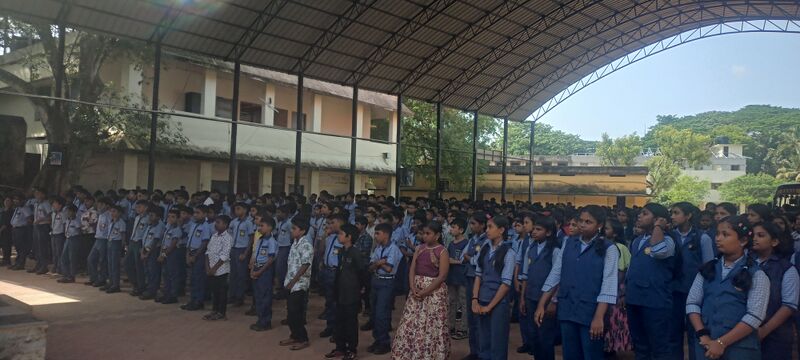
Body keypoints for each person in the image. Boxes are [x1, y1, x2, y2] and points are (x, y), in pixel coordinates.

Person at [536, 205, 619, 360]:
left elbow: (609, 285)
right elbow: (555, 274)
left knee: (591, 354)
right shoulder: (568, 242)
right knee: (570, 354)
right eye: (581, 220)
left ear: (599, 225)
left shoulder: (609, 249)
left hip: (591, 310)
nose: (582, 225)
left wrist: (599, 317)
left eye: (588, 222)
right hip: (568, 307)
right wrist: (542, 303)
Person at [686, 215, 768, 360]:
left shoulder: (757, 274)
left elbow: (755, 316)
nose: (718, 238)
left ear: (743, 241)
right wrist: (702, 333)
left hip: (739, 348)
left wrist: (721, 342)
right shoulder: (708, 269)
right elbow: (693, 302)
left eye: (725, 235)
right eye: (717, 234)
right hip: (705, 343)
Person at [392, 220, 450, 360]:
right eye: (423, 233)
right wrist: (412, 286)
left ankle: (430, 354)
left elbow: (442, 276)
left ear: (437, 236)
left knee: (431, 323)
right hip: (416, 288)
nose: (424, 236)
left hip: (434, 291)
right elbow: (412, 268)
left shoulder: (442, 251)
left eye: (428, 233)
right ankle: (409, 352)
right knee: (412, 322)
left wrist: (425, 291)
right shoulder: (419, 248)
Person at [626, 203, 677, 360]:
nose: (639, 216)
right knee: (640, 345)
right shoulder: (637, 240)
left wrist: (658, 227)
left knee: (659, 346)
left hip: (655, 301)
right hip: (635, 298)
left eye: (645, 213)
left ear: (658, 219)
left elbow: (658, 251)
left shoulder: (668, 240)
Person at [670, 202, 715, 359]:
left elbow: (709, 266)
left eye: (676, 213)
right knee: (673, 333)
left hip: (695, 294)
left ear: (688, 216)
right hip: (673, 291)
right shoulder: (670, 235)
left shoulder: (702, 238)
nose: (672, 216)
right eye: (672, 213)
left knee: (695, 333)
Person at [470, 215, 516, 360]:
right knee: (483, 338)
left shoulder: (509, 252)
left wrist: (490, 306)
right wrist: (475, 299)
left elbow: (506, 284)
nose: (487, 230)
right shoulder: (484, 248)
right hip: (482, 297)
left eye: (491, 227)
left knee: (498, 340)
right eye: (487, 227)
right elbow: (478, 276)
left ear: (501, 230)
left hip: (498, 302)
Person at [751, 221, 798, 358]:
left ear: (774, 241)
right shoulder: (744, 263)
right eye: (752, 235)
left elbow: (789, 306)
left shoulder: (786, 269)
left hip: (776, 333)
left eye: (760, 235)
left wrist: (764, 331)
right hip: (744, 331)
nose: (754, 239)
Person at [519, 214, 561, 360]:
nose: (534, 232)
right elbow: (525, 274)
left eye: (539, 229)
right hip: (531, 296)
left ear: (548, 232)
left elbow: (557, 278)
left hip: (546, 299)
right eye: (534, 229)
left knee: (545, 336)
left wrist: (552, 301)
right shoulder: (530, 248)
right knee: (533, 334)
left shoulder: (554, 250)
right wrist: (523, 298)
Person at [325, 223, 366, 360]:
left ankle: (351, 349)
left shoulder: (355, 253)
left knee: (350, 323)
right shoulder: (342, 251)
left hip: (351, 293)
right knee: (339, 322)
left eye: (341, 234)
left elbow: (362, 272)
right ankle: (340, 348)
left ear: (349, 237)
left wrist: (361, 288)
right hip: (340, 292)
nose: (338, 236)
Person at [366, 222, 402, 355]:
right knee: (374, 313)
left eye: (377, 233)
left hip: (387, 283)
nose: (375, 236)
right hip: (376, 280)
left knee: (382, 313)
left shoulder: (393, 249)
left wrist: (378, 263)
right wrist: (380, 262)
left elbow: (389, 268)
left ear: (386, 234)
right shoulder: (378, 248)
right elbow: (371, 267)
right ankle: (377, 339)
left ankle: (384, 342)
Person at [280, 216, 313, 351]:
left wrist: (293, 282)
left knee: (296, 313)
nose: (291, 231)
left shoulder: (306, 245)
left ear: (303, 230)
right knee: (290, 313)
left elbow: (305, 265)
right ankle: (294, 335)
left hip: (299, 284)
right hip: (290, 282)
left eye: (294, 228)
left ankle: (303, 338)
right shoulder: (295, 242)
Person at [602, 217, 632, 355]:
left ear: (614, 233)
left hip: (616, 289)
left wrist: (621, 293)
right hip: (605, 287)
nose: (603, 230)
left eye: (607, 228)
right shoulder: (600, 245)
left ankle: (612, 348)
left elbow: (622, 271)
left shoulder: (620, 248)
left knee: (613, 322)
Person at [462, 211, 488, 360]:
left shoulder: (485, 240)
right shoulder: (472, 239)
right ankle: (473, 351)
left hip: (479, 279)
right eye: (470, 223)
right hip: (469, 277)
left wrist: (469, 258)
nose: (471, 227)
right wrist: (469, 258)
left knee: (478, 317)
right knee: (470, 316)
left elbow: (478, 261)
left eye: (474, 223)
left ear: (482, 225)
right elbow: (463, 256)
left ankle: (481, 351)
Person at [320, 213, 345, 338]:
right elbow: (321, 251)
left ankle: (337, 330)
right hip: (327, 270)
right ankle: (330, 326)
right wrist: (324, 236)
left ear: (340, 223)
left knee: (337, 302)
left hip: (336, 272)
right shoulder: (330, 237)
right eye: (329, 223)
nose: (330, 225)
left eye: (333, 223)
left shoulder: (344, 238)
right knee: (329, 301)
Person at [182, 205, 212, 311]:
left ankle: (199, 301)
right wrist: (187, 255)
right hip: (191, 252)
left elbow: (204, 242)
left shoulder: (206, 226)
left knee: (199, 279)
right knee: (192, 279)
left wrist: (195, 256)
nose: (195, 215)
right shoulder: (193, 225)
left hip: (199, 254)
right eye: (194, 212)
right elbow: (189, 241)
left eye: (198, 213)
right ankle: (192, 300)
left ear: (205, 214)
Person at [250, 216, 277, 331]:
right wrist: (252, 269)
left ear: (270, 228)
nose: (259, 228)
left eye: (262, 226)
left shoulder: (272, 241)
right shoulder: (260, 240)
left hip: (265, 271)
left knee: (265, 296)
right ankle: (260, 319)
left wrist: (259, 271)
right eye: (258, 225)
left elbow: (270, 259)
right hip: (257, 268)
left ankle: (266, 321)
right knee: (258, 296)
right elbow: (255, 255)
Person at [205, 215, 232, 321]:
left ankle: (222, 312)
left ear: (225, 225)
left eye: (219, 222)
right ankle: (214, 310)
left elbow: (224, 256)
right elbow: (208, 252)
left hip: (221, 270)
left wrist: (214, 268)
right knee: (214, 291)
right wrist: (208, 267)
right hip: (211, 268)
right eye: (216, 222)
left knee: (222, 292)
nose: (216, 224)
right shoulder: (214, 236)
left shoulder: (227, 238)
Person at [446, 217, 469, 341]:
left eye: (453, 227)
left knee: (464, 302)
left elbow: (464, 261)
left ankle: (464, 328)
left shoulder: (466, 243)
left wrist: (453, 261)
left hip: (462, 277)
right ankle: (451, 326)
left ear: (461, 230)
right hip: (452, 276)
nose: (451, 229)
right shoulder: (450, 243)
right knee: (451, 302)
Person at [228, 202, 255, 307]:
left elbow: (251, 238)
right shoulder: (234, 222)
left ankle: (240, 297)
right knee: (233, 274)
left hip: (242, 249)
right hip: (234, 249)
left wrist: (245, 253)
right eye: (235, 209)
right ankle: (232, 295)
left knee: (241, 275)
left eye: (239, 209)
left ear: (244, 210)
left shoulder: (248, 223)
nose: (236, 211)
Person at [139, 206, 165, 300]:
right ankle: (149, 288)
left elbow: (155, 241)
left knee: (153, 271)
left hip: (153, 251)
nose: (150, 217)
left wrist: (147, 254)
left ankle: (152, 290)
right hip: (146, 249)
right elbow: (144, 239)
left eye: (152, 215)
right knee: (147, 271)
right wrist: (142, 251)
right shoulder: (150, 225)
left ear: (158, 217)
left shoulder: (160, 225)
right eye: (149, 215)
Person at [157, 209, 182, 304]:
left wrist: (163, 255)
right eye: (169, 216)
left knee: (173, 275)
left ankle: (173, 295)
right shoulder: (168, 227)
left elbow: (172, 245)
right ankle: (166, 293)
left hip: (172, 253)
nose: (170, 219)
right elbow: (164, 242)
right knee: (166, 274)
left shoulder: (177, 230)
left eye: (173, 217)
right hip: (165, 252)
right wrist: (161, 253)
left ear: (178, 218)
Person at [86, 197, 112, 287]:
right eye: (98, 204)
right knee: (90, 259)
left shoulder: (109, 215)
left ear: (107, 206)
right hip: (97, 239)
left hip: (104, 239)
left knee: (102, 261)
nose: (99, 206)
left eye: (101, 204)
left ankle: (102, 279)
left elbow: (110, 228)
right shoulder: (100, 215)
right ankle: (94, 278)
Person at [126, 200, 150, 296]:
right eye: (137, 207)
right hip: (133, 242)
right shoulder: (136, 218)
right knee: (127, 263)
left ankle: (141, 287)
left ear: (146, 207)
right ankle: (135, 284)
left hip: (140, 243)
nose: (137, 208)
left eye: (140, 206)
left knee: (139, 266)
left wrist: (144, 246)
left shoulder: (148, 219)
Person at [103, 205, 127, 293]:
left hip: (116, 243)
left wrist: (122, 247)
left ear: (119, 213)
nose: (112, 213)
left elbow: (123, 236)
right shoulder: (111, 221)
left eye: (114, 211)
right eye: (111, 211)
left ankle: (116, 285)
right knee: (109, 264)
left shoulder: (121, 223)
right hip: (109, 242)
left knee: (115, 265)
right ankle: (111, 282)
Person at [57, 205, 81, 283]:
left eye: (69, 211)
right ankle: (65, 275)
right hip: (67, 238)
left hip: (74, 239)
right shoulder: (67, 220)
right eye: (67, 211)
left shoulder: (77, 220)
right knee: (64, 257)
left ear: (74, 212)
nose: (68, 213)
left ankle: (72, 276)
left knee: (72, 258)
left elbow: (79, 231)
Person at [32, 188, 53, 275]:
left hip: (43, 226)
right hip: (37, 226)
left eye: (38, 193)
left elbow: (50, 216)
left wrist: (41, 219)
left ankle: (44, 266)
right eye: (36, 193)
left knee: (42, 247)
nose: (36, 195)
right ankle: (38, 264)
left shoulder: (46, 204)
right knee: (36, 247)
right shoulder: (36, 204)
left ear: (43, 194)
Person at [10, 194, 33, 270]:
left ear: (22, 200)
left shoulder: (25, 208)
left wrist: (26, 228)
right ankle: (17, 263)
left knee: (21, 248)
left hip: (21, 229)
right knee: (17, 247)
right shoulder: (17, 208)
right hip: (15, 229)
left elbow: (29, 219)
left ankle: (20, 264)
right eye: (15, 199)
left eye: (17, 199)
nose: (15, 201)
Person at [50, 197, 67, 276]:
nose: (53, 205)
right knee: (54, 252)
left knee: (59, 252)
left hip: (60, 235)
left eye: (55, 203)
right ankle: (55, 266)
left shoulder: (62, 214)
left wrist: (64, 234)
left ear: (60, 205)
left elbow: (64, 224)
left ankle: (60, 268)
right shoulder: (53, 213)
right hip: (53, 234)